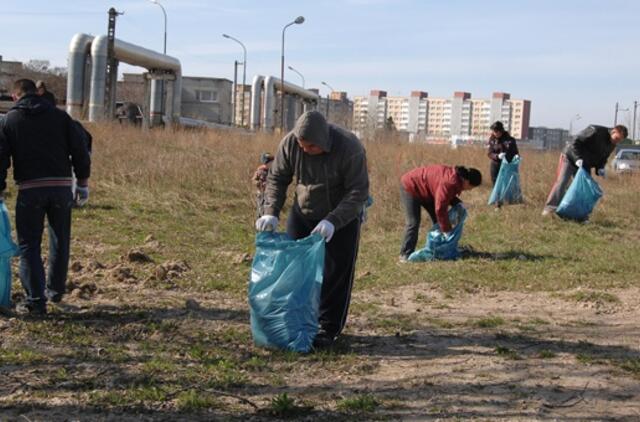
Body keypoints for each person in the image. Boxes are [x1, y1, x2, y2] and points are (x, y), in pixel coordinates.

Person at [255, 111, 369, 349]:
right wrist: (271, 211)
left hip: (341, 218)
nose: (304, 149)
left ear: (323, 142)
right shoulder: (290, 143)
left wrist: (333, 221)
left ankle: (328, 328)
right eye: (301, 144)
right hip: (304, 211)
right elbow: (277, 178)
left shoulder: (349, 147)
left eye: (311, 146)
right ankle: (294, 321)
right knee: (295, 269)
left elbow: (358, 192)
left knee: (336, 272)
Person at [0, 79, 91, 315]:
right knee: (60, 239)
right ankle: (55, 291)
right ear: (38, 93)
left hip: (30, 190)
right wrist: (82, 183)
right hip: (61, 188)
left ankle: (35, 300)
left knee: (29, 245)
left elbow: (1, 158)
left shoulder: (9, 120)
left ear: (15, 96)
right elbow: (80, 148)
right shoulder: (61, 117)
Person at [399, 165, 482, 260]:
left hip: (427, 191)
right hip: (411, 186)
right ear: (467, 181)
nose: (470, 190)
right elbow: (440, 207)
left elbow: (445, 195)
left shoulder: (456, 179)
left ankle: (439, 250)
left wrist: (459, 204)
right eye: (471, 187)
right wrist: (447, 230)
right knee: (413, 222)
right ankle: (405, 254)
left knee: (439, 221)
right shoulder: (450, 181)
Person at [542, 124, 627, 216]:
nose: (616, 142)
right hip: (570, 157)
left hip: (585, 165)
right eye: (616, 138)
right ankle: (550, 209)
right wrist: (577, 158)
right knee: (562, 182)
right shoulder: (595, 131)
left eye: (619, 141)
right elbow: (575, 141)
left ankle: (575, 213)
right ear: (613, 131)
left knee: (584, 188)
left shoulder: (612, 145)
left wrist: (600, 168)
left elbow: (603, 158)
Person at [487, 121, 519, 194]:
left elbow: (515, 152)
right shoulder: (492, 140)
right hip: (495, 164)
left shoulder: (510, 140)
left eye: (496, 131)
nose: (494, 133)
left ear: (500, 131)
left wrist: (516, 157)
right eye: (493, 131)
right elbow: (489, 153)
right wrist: (497, 156)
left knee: (505, 183)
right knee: (495, 182)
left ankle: (505, 198)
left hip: (507, 165)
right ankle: (497, 200)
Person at [253, 152, 274, 217]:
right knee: (261, 209)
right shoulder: (260, 171)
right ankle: (260, 222)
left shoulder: (273, 171)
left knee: (268, 209)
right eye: (271, 162)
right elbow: (254, 180)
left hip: (270, 194)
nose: (272, 163)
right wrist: (260, 184)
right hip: (261, 193)